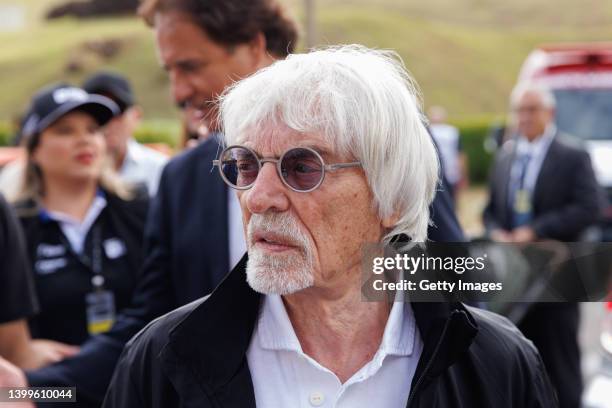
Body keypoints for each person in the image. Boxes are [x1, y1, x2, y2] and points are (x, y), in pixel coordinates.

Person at [11, 1, 462, 405]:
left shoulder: (377, 139)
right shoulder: (183, 179)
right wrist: (35, 388)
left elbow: (451, 280)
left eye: (189, 66)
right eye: (242, 168)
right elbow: (147, 330)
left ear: (253, 45)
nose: (178, 92)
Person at [102, 45, 556, 408]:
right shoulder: (161, 361)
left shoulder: (498, 365)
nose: (257, 197)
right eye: (244, 165)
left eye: (302, 167)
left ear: (391, 199)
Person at [483, 83, 601, 408]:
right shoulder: (506, 156)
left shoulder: (572, 155)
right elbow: (491, 210)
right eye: (519, 110)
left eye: (531, 110)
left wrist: (536, 230)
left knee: (559, 360)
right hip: (516, 279)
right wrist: (497, 233)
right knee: (518, 354)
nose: (524, 117)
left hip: (558, 276)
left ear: (550, 113)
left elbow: (589, 207)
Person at [11, 83, 149, 348]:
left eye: (93, 130)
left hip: (134, 383)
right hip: (48, 386)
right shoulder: (14, 227)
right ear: (34, 149)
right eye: (65, 130)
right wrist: (25, 353)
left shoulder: (140, 210)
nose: (84, 139)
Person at [83, 71, 168, 197]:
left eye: (118, 109)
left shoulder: (161, 170)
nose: (108, 121)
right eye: (95, 113)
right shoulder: (65, 174)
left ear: (137, 116)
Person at [428, 105, 468, 200]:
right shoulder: (452, 132)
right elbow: (460, 155)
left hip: (433, 172)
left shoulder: (428, 131)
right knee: (452, 201)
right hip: (452, 173)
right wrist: (463, 174)